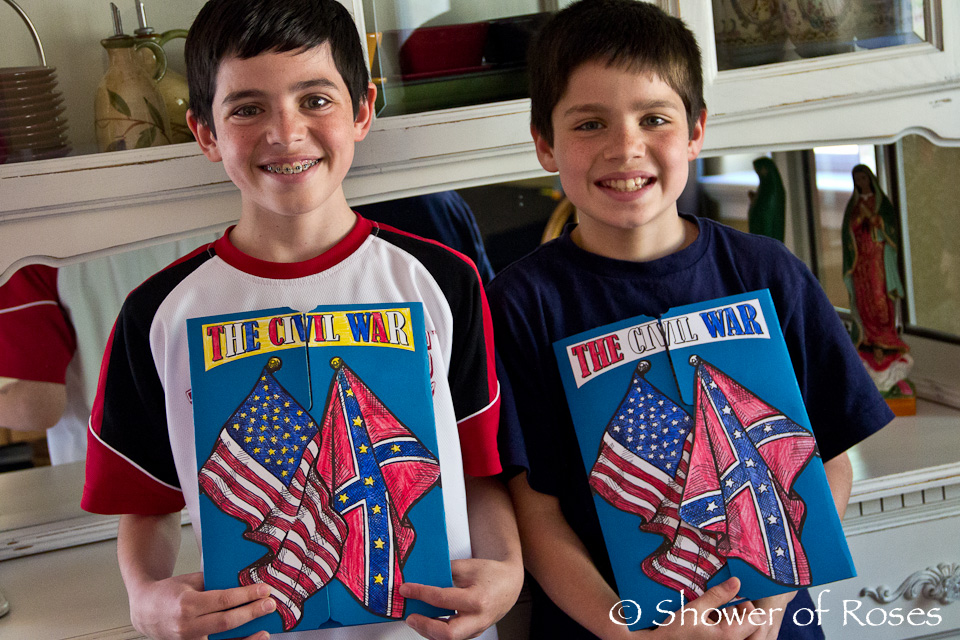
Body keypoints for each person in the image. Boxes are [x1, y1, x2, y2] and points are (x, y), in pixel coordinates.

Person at [80, 1, 522, 639]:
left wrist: (507, 569)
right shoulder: (158, 312)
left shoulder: (443, 280)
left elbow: (482, 466)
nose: (285, 133)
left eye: (315, 100)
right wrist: (144, 597)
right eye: (246, 109)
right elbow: (147, 502)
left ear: (362, 110)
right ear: (205, 132)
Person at [487, 2, 893, 639]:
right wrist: (629, 633)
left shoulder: (768, 271)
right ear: (545, 143)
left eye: (654, 119)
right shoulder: (518, 304)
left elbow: (826, 460)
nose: (626, 147)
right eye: (590, 123)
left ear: (696, 130)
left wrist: (776, 593)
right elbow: (534, 514)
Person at [0, 237, 218, 465]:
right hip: (215, 448)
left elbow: (33, 406)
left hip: (108, 462)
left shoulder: (25, 244)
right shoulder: (213, 218)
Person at [841, 164, 912, 390]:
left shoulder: (882, 205)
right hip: (861, 261)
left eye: (863, 178)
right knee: (864, 300)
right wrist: (858, 221)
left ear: (870, 179)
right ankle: (869, 339)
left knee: (880, 297)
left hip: (878, 259)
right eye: (857, 179)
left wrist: (875, 220)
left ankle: (886, 336)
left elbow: (889, 229)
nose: (860, 183)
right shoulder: (853, 206)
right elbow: (848, 232)